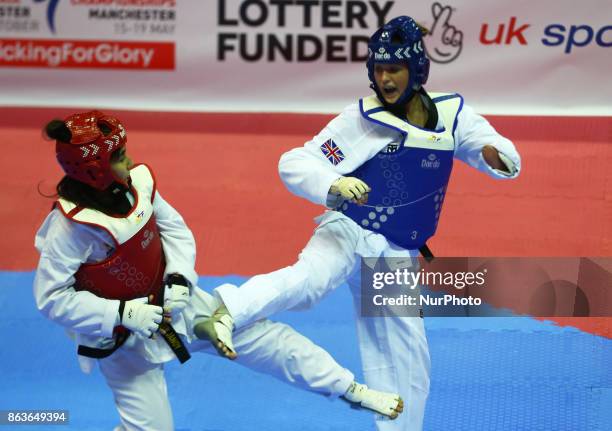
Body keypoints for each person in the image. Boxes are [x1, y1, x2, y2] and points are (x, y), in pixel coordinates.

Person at [200, 16, 522, 431]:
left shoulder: (452, 114)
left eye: (394, 70)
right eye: (378, 69)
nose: (384, 79)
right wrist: (333, 182)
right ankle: (222, 311)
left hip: (393, 255)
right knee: (308, 283)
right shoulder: (363, 119)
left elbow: (491, 146)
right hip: (348, 230)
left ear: (417, 70)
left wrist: (499, 157)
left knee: (408, 360)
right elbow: (295, 162)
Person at [33, 110, 406, 431]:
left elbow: (174, 229)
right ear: (93, 169)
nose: (129, 161)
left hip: (176, 302)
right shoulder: (68, 228)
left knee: (268, 341)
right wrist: (122, 313)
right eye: (118, 156)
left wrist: (179, 277)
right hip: (123, 341)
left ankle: (348, 388)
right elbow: (51, 299)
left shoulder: (139, 184)